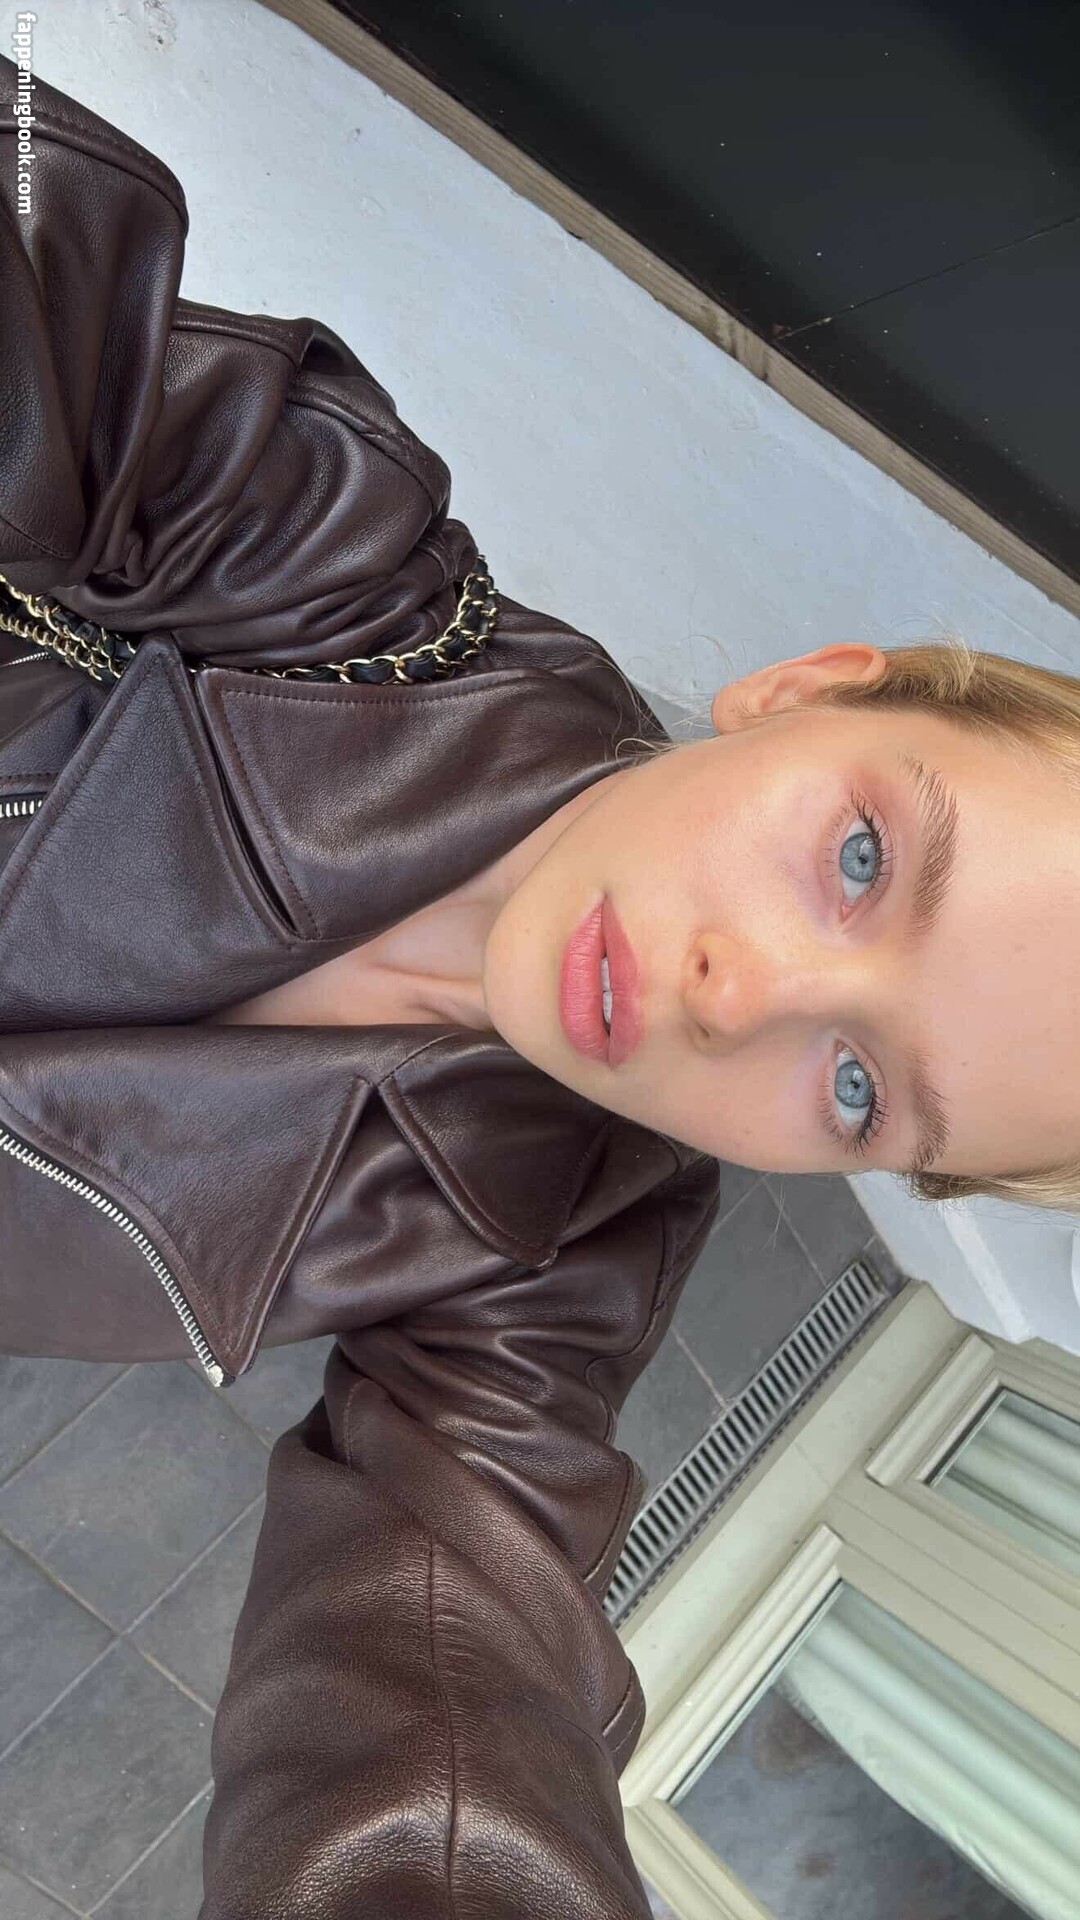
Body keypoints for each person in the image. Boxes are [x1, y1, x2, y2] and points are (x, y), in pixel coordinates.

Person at [3, 56, 1080, 1920]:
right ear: (805, 691)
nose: (745, 996)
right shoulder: (341, 577)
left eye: (858, 1088)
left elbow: (442, 1689)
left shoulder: (561, 1243)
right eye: (861, 859)